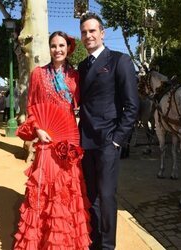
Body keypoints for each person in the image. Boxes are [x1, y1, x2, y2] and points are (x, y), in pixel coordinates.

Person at [13, 31, 91, 250]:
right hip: (46, 138)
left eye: (62, 45)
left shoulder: (75, 76)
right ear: (49, 48)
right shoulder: (38, 74)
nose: (58, 49)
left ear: (69, 48)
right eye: (54, 45)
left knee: (68, 189)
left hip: (68, 139)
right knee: (45, 188)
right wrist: (37, 130)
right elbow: (31, 107)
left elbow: (82, 106)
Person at [78, 12, 139, 250]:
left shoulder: (119, 60)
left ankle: (107, 246)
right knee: (91, 196)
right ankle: (94, 243)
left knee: (106, 197)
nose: (88, 35)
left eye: (92, 31)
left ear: (102, 33)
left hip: (107, 141)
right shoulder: (82, 66)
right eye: (84, 32)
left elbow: (132, 105)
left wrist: (117, 140)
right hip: (85, 140)